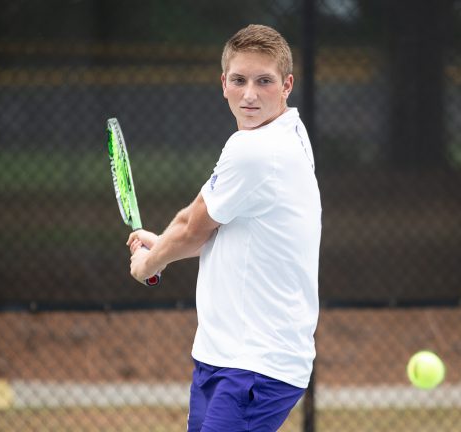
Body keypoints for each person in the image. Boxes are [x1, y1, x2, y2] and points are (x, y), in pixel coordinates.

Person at [127, 24, 321, 432]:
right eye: (239, 80)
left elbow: (193, 227)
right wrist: (163, 244)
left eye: (264, 81)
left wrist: (149, 265)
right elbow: (220, 229)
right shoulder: (290, 131)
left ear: (287, 85)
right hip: (224, 356)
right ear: (224, 84)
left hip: (255, 365)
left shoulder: (255, 149)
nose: (250, 94)